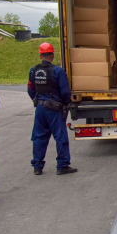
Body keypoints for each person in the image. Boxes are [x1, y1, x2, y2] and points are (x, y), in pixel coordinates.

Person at [27, 43, 77, 176]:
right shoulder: (57, 71)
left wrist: (37, 100)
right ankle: (62, 165)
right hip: (54, 109)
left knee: (39, 137)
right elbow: (65, 92)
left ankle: (37, 166)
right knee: (60, 136)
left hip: (40, 108)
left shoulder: (33, 70)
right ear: (53, 55)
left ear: (40, 55)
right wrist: (65, 104)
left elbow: (30, 89)